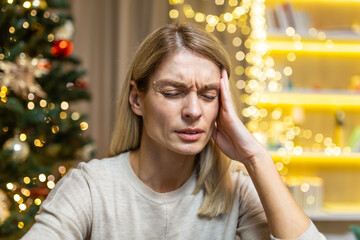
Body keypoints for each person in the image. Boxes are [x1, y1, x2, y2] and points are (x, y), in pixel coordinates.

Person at [22, 23, 326, 240]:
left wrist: (255, 157)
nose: (194, 110)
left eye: (208, 95)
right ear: (137, 99)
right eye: (172, 91)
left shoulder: (235, 189)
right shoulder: (91, 188)